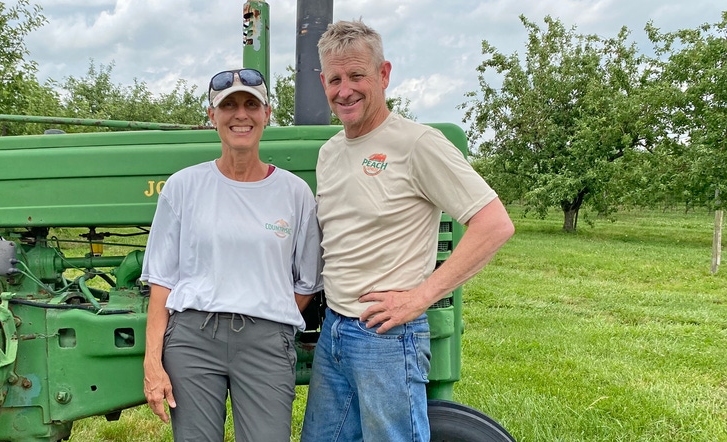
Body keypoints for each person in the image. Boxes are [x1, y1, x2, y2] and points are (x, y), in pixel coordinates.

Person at [300, 20, 515, 442]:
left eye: (357, 75)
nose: (345, 90)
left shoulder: (418, 144)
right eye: (336, 79)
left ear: (383, 74)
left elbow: (494, 224)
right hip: (335, 332)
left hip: (386, 335)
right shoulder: (330, 153)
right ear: (323, 82)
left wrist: (420, 297)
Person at [140, 68, 323, 441]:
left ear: (267, 114)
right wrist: (152, 362)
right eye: (229, 106)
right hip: (193, 341)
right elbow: (162, 281)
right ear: (212, 116)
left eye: (251, 105)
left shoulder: (294, 193)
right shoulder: (183, 187)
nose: (241, 115)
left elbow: (307, 280)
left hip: (265, 342)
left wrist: (266, 314)